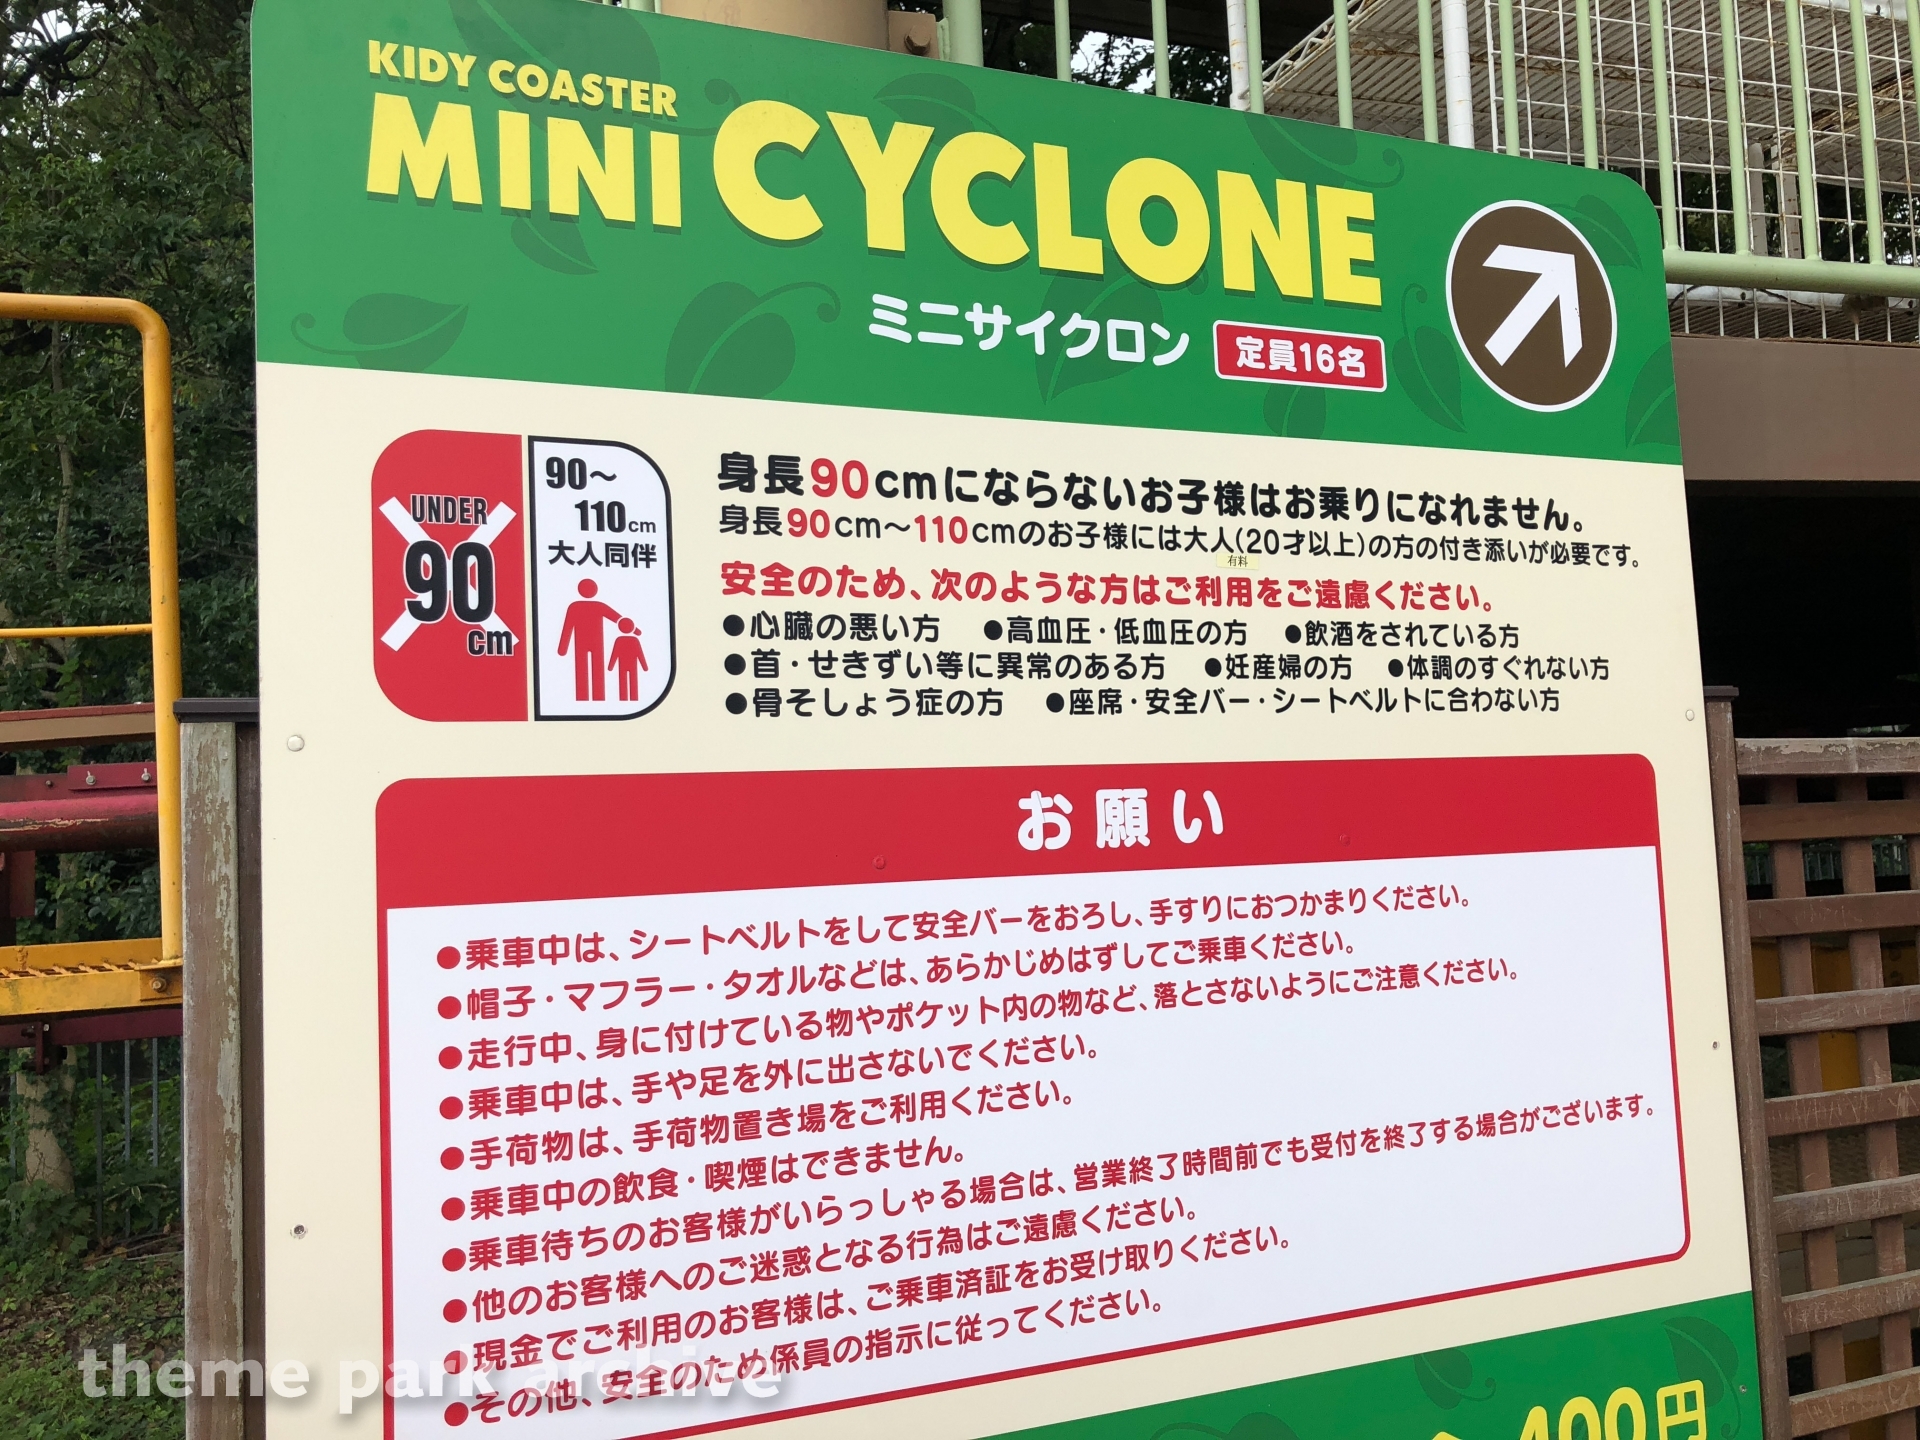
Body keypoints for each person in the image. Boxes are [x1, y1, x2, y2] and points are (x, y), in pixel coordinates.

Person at [556, 579, 623, 701]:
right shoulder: (595, 606)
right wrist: (633, 630)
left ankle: (589, 696)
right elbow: (619, 620)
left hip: (586, 643)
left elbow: (618, 619)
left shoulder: (575, 607)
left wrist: (563, 648)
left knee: (586, 669)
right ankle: (593, 696)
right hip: (592, 643)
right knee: (592, 669)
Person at [608, 616, 648, 702]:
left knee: (623, 681)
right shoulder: (634, 640)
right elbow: (640, 655)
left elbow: (614, 655)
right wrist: (644, 667)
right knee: (632, 680)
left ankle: (624, 698)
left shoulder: (619, 640)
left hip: (623, 664)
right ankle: (632, 697)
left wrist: (611, 666)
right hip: (631, 665)